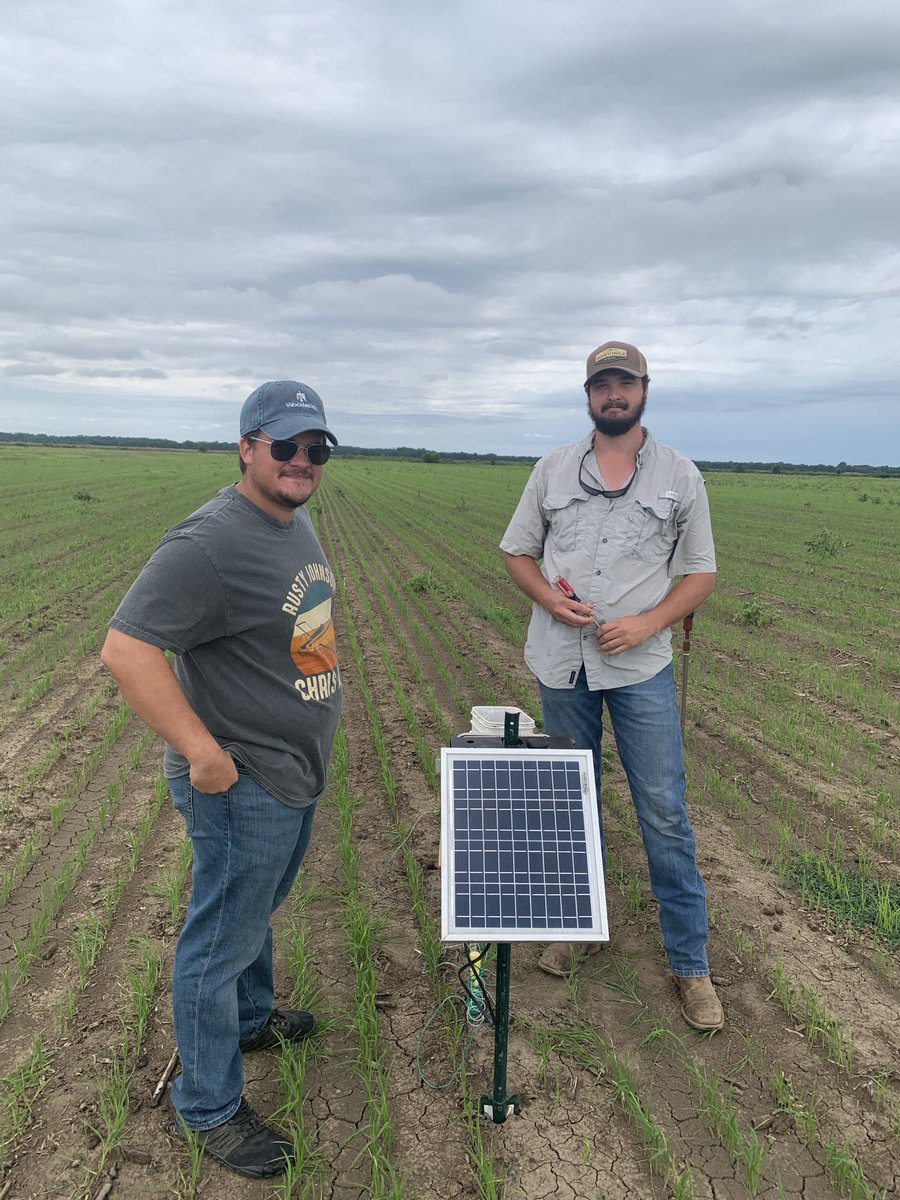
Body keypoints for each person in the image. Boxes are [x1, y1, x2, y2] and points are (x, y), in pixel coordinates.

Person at [101, 380, 343, 1176]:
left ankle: (249, 1018)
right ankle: (207, 1105)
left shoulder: (292, 521)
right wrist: (204, 754)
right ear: (247, 448)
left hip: (291, 769)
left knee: (254, 909)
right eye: (286, 446)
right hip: (244, 782)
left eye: (316, 447)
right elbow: (127, 649)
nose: (303, 460)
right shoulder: (207, 543)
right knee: (220, 938)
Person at [500, 341, 723, 1032]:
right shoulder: (552, 469)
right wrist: (549, 598)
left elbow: (701, 573)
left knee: (663, 810)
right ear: (589, 395)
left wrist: (648, 623)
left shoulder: (680, 475)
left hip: (640, 667)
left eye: (624, 383)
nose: (613, 394)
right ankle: (579, 927)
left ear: (645, 390)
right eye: (602, 384)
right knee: (571, 803)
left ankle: (690, 963)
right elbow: (518, 552)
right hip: (562, 661)